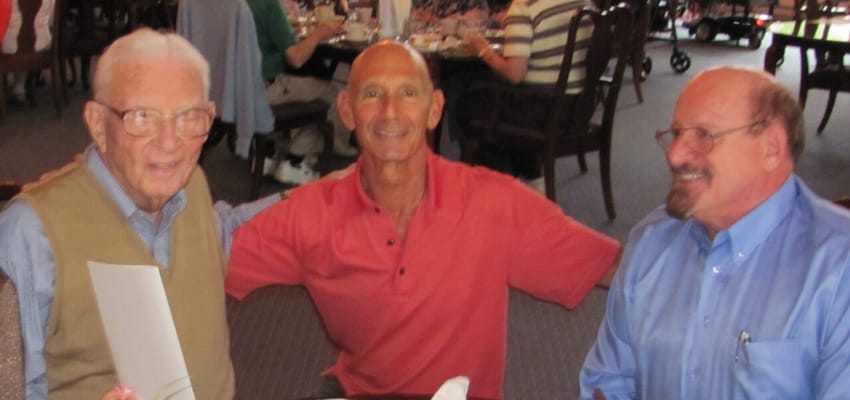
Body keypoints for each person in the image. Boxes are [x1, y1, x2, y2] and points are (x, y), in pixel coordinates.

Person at [226, 41, 621, 399]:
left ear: (434, 109)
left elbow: (621, 268)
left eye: (408, 93)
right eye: (372, 93)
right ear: (347, 110)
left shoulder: (492, 202)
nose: (390, 111)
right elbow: (208, 261)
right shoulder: (312, 212)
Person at [0, 28, 283, 399]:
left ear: (209, 118)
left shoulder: (191, 183)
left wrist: (324, 189)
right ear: (98, 124)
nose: (169, 142)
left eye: (188, 116)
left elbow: (224, 226)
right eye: (142, 116)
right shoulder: (31, 232)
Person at [579, 67, 850, 399]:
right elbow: (609, 379)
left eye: (703, 135)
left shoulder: (838, 269)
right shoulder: (651, 241)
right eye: (676, 133)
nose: (674, 154)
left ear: (771, 148)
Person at [451, 0, 591, 192]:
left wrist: (482, 49)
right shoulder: (584, 2)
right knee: (489, 103)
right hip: (579, 108)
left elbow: (514, 74)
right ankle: (532, 178)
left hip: (543, 110)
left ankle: (508, 189)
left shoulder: (524, 9)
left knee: (467, 106)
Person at [248, 0, 359, 185]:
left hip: (236, 89)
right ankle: (295, 160)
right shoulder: (269, 5)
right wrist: (318, 34)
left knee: (312, 80)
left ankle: (268, 153)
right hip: (268, 87)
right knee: (332, 95)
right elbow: (296, 58)